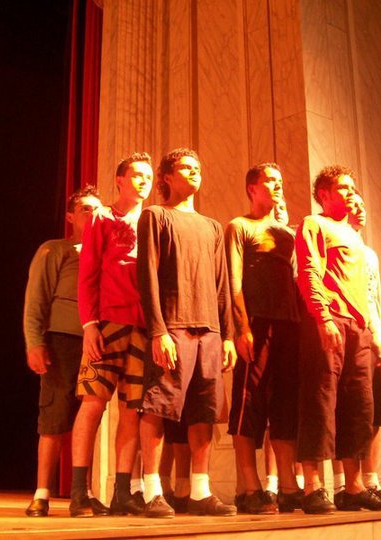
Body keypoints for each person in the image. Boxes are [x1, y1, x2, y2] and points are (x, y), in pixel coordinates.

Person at [136, 148, 237, 518]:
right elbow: (146, 275)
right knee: (158, 405)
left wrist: (227, 335)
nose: (194, 172)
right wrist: (158, 330)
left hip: (209, 330)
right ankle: (152, 491)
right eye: (185, 168)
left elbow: (222, 284)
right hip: (173, 326)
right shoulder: (155, 215)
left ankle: (199, 491)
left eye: (198, 167)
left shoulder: (212, 226)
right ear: (166, 177)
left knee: (204, 412)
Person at [295, 165, 381, 513]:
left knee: (359, 405)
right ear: (324, 194)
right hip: (331, 320)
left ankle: (353, 487)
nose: (351, 193)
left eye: (353, 188)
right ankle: (313, 487)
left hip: (359, 328)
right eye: (344, 188)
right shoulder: (313, 223)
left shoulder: (354, 236)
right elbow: (309, 271)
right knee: (320, 400)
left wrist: (375, 331)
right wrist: (323, 317)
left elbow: (367, 289)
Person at [69, 153, 154, 517]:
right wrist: (89, 325)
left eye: (149, 176)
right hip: (107, 323)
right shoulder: (101, 217)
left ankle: (123, 492)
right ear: (120, 180)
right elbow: (87, 274)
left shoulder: (152, 220)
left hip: (143, 327)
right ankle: (79, 492)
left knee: (132, 409)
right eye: (136, 175)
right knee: (92, 403)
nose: (144, 181)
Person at [22, 186, 103, 517]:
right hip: (62, 341)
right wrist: (34, 342)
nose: (92, 214)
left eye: (97, 209)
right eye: (85, 209)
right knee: (54, 416)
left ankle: (82, 492)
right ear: (70, 216)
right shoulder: (56, 249)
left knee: (90, 415)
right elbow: (36, 298)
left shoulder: (108, 253)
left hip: (97, 343)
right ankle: (41, 493)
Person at [225, 163, 301, 514]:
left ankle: (288, 486)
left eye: (280, 181)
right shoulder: (240, 226)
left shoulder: (287, 234)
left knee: (285, 407)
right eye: (270, 180)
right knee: (248, 405)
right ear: (252, 188)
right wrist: (241, 328)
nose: (277, 185)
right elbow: (234, 281)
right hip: (256, 322)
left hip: (289, 325)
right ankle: (249, 487)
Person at [331, 192, 381, 509]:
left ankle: (372, 481)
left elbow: (375, 299)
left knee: (376, 409)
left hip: (374, 335)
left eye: (363, 205)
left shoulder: (369, 254)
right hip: (348, 333)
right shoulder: (331, 242)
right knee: (346, 408)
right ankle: (343, 484)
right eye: (353, 204)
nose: (359, 209)